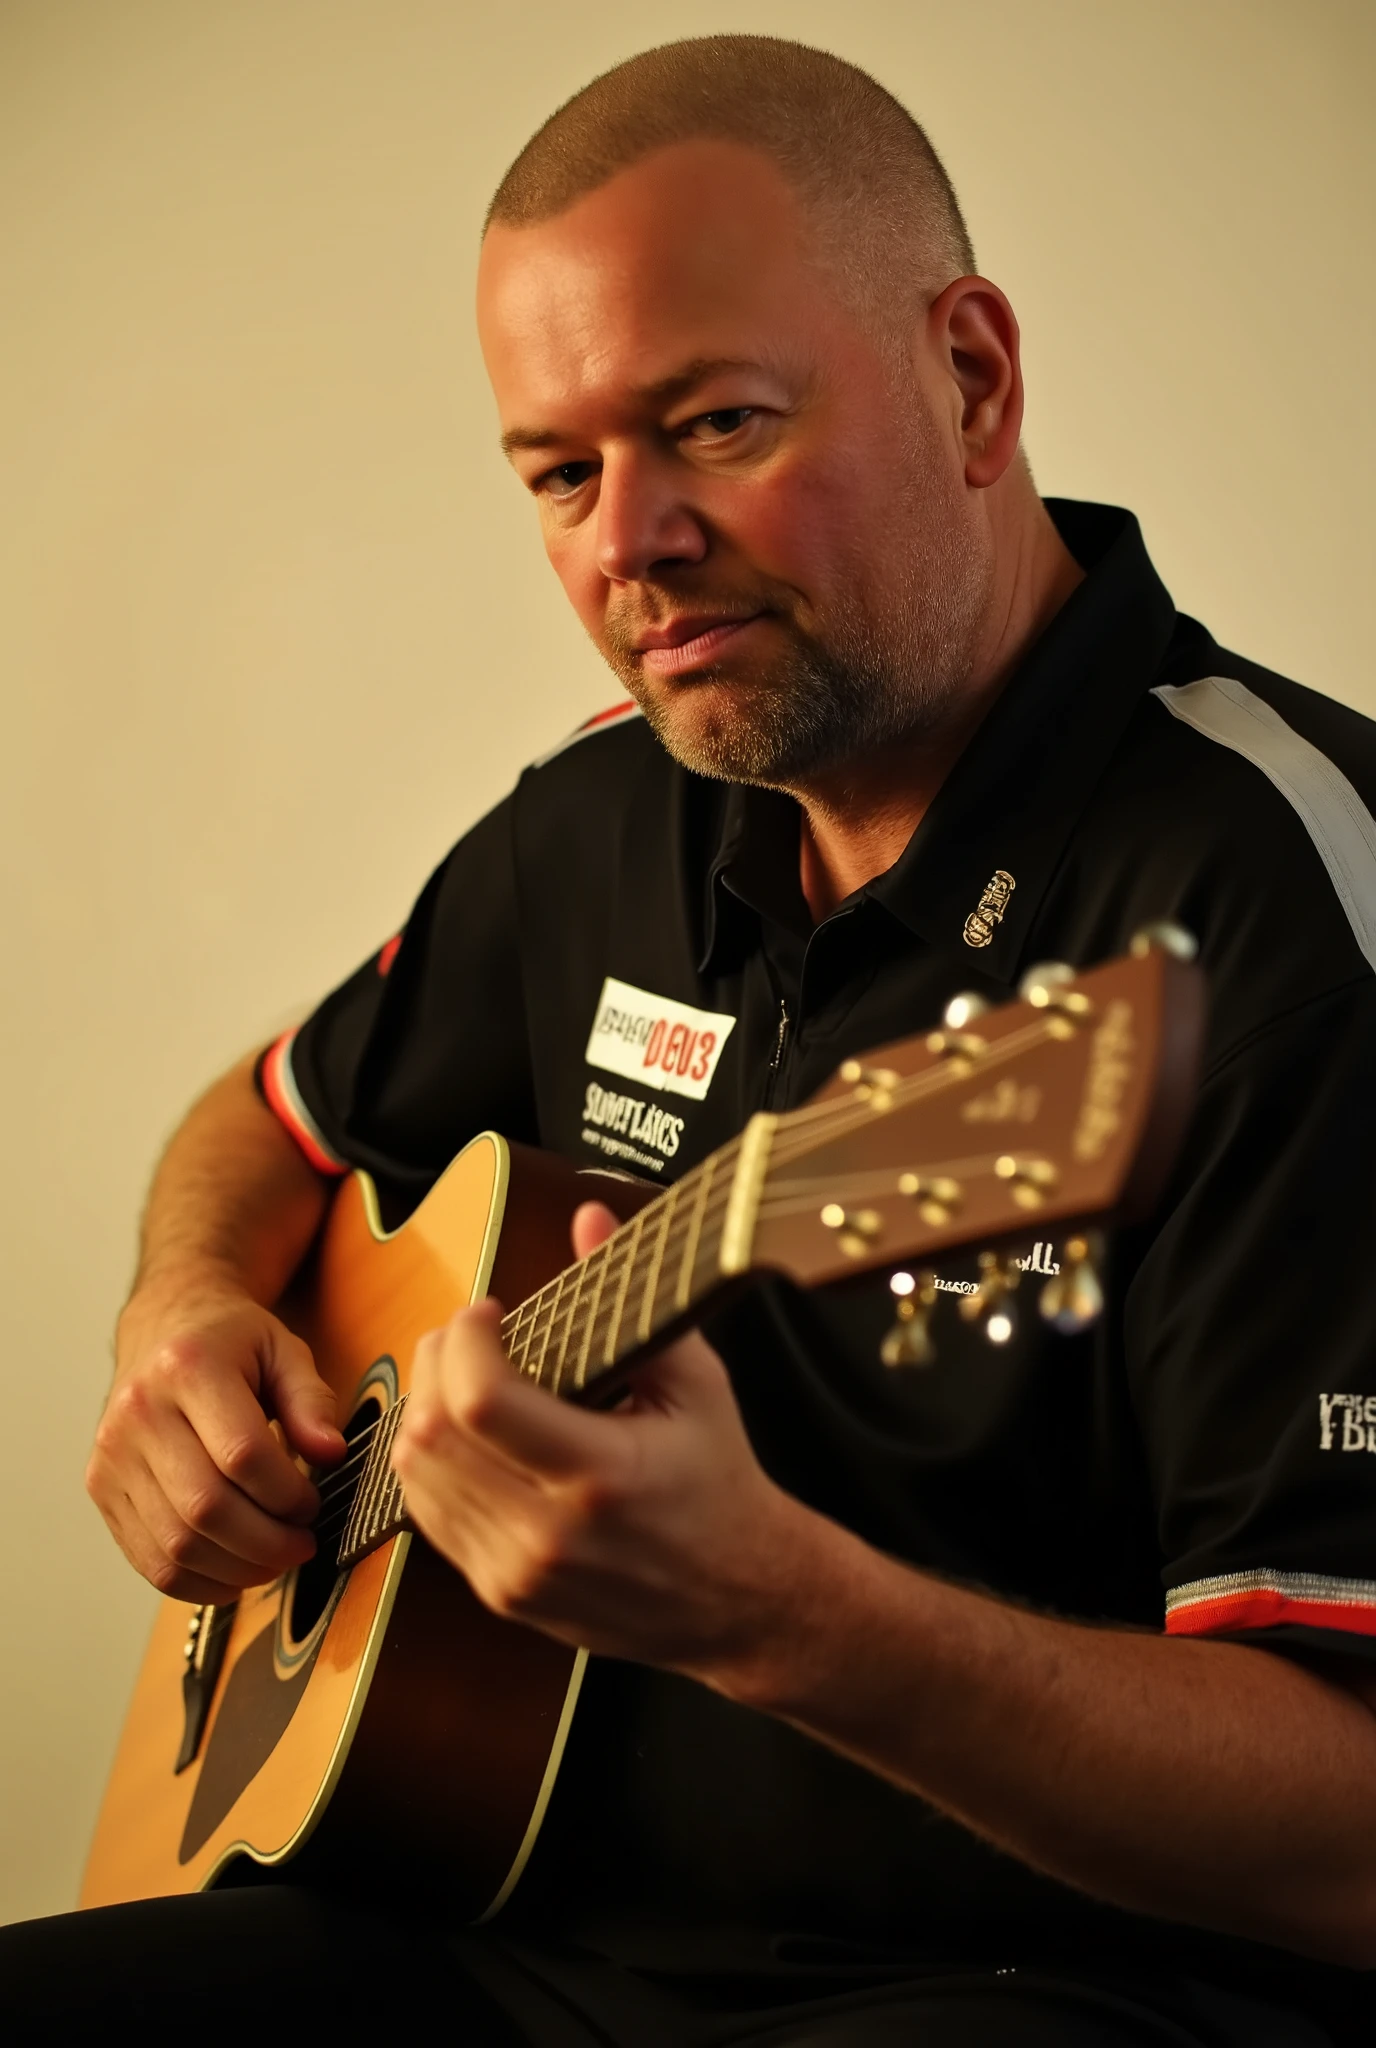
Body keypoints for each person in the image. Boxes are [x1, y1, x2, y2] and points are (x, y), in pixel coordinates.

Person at [6, 35, 1376, 2048]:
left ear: (972, 382)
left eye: (712, 425)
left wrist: (781, 1614)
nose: (622, 545)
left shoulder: (1282, 900)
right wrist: (183, 1310)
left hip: (1063, 1989)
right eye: (557, 472)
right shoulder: (598, 815)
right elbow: (274, 1114)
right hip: (504, 1927)